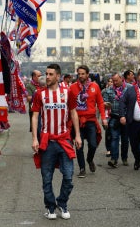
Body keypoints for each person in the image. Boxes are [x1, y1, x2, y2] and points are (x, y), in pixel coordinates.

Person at [31, 63, 82, 220]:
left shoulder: (68, 92)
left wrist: (77, 135)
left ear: (58, 76)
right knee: (47, 177)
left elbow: (73, 113)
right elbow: (34, 116)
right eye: (46, 74)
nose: (47, 76)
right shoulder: (40, 94)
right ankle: (50, 207)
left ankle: (62, 203)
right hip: (47, 141)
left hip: (64, 139)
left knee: (68, 175)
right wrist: (34, 138)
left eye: (51, 74)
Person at [69, 65, 108, 178]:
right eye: (79, 74)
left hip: (91, 120)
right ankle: (82, 169)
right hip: (77, 121)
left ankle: (89, 159)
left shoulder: (95, 86)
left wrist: (104, 118)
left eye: (83, 74)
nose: (80, 76)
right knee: (79, 145)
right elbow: (69, 105)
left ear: (87, 74)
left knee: (93, 144)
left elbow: (100, 103)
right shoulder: (72, 87)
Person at [102, 72, 131, 168]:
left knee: (125, 139)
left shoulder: (129, 88)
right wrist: (105, 104)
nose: (114, 82)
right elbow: (104, 101)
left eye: (116, 80)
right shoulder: (109, 90)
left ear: (121, 78)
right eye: (113, 81)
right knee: (114, 138)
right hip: (114, 117)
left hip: (126, 118)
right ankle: (114, 159)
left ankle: (124, 158)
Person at [101, 77, 113, 157]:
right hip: (107, 114)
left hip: (115, 114)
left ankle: (113, 149)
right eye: (110, 81)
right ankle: (109, 149)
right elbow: (101, 102)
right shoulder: (104, 91)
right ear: (107, 83)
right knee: (108, 132)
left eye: (113, 81)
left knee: (114, 133)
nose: (112, 83)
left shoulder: (118, 91)